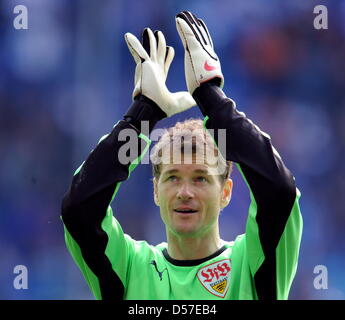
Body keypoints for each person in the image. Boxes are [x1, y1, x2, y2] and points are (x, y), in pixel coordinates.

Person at [61, 11, 302, 300]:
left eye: (200, 178)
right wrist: (142, 116)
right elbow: (80, 208)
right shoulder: (129, 268)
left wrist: (212, 98)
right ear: (156, 191)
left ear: (226, 191)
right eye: (173, 178)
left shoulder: (252, 265)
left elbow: (279, 192)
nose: (184, 192)